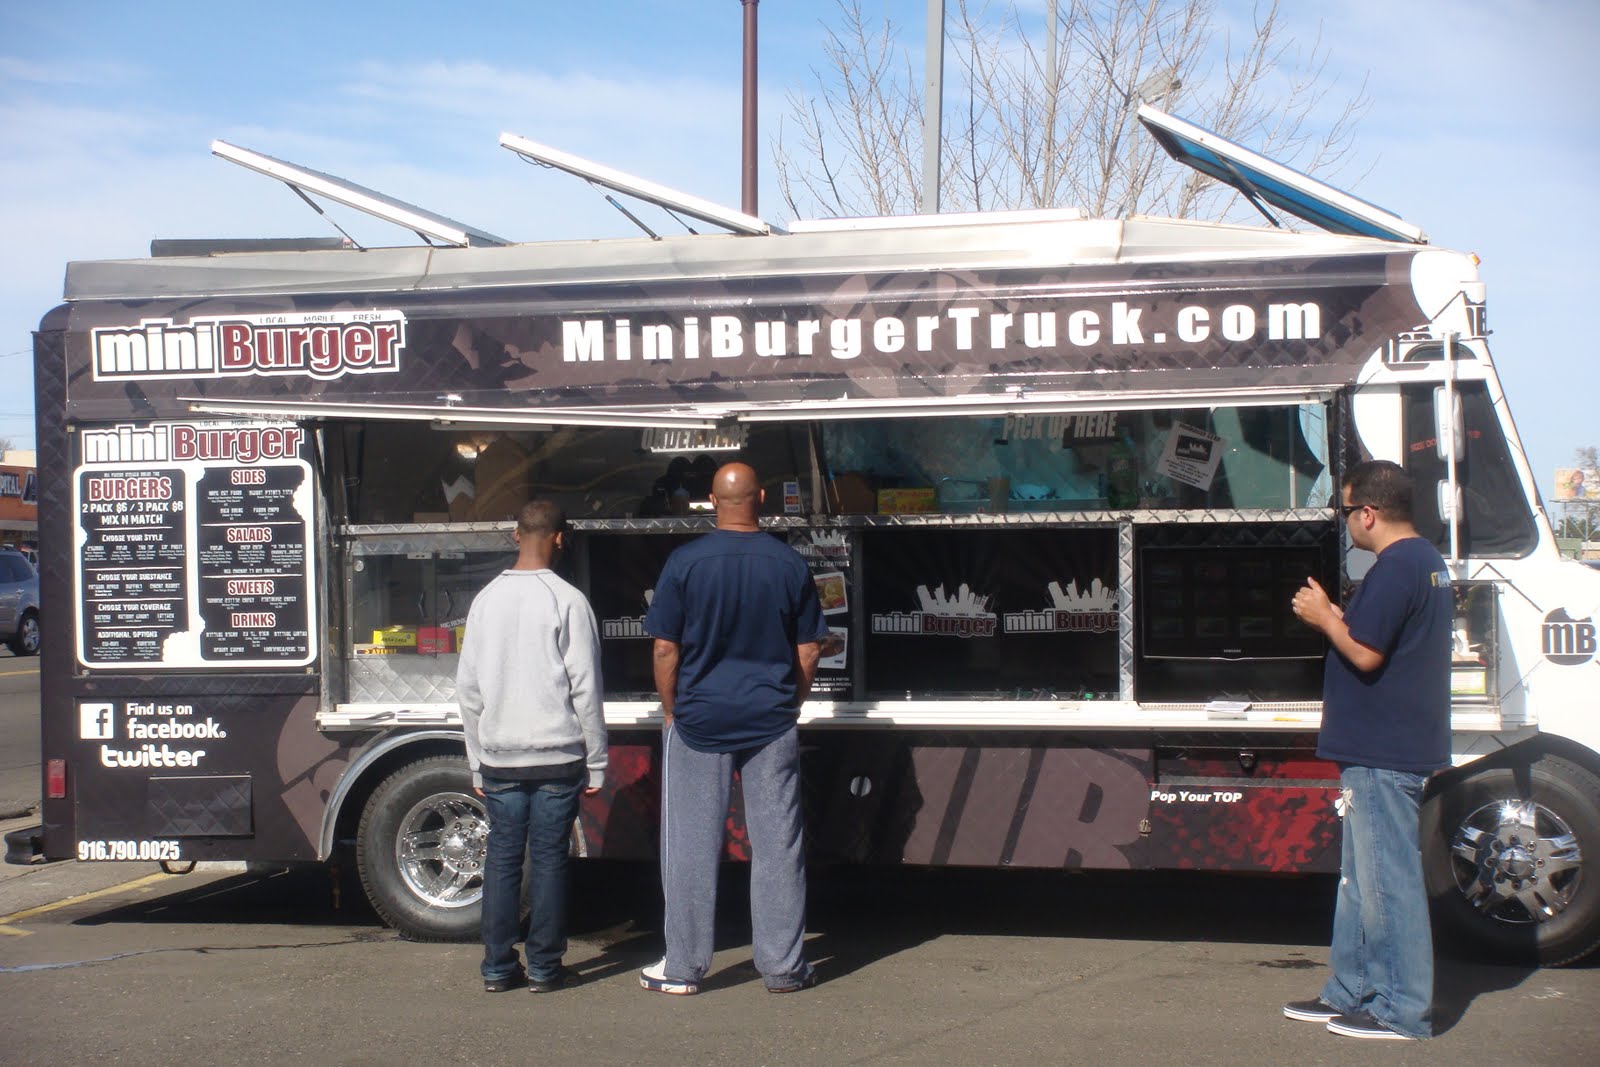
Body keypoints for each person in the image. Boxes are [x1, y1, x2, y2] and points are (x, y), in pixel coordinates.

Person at [639, 462, 828, 995]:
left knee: (691, 846)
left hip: (700, 719)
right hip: (770, 720)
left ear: (711, 500)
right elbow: (810, 649)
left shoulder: (685, 562)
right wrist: (791, 704)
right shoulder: (788, 563)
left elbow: (665, 648)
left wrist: (671, 708)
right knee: (779, 847)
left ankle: (684, 968)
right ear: (761, 498)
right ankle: (784, 968)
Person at [1284, 460, 1452, 1040]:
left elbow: (1365, 652)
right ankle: (1351, 990)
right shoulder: (1425, 561)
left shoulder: (1397, 568)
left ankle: (1400, 1009)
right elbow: (1377, 640)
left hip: (1384, 751)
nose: (1347, 521)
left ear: (1370, 513)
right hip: (1385, 747)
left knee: (1387, 884)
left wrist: (1323, 618)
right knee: (1360, 882)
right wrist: (1337, 616)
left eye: (1348, 510)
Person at [456, 500, 608, 994]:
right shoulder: (568, 600)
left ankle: (498, 967)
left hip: (500, 756)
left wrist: (476, 762)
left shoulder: (485, 600)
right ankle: (545, 966)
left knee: (502, 859)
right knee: (549, 860)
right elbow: (586, 688)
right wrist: (597, 761)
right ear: (560, 538)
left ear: (515, 534)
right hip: (558, 756)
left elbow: (468, 689)